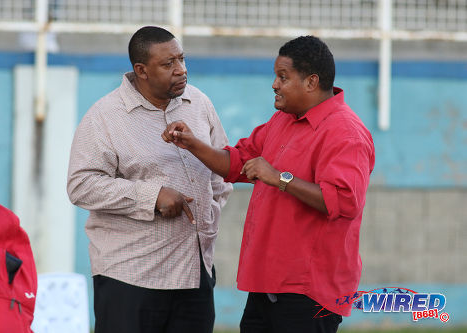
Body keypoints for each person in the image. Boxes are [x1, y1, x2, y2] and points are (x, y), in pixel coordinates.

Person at [162, 35, 375, 333]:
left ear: (311, 82)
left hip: (308, 294)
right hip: (267, 285)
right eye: (276, 75)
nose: (274, 84)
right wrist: (191, 143)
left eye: (283, 77)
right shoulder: (282, 120)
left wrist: (280, 178)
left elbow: (343, 201)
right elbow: (237, 163)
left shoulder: (345, 133)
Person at [67, 26, 232, 333]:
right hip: (132, 276)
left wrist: (208, 218)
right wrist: (151, 197)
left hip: (194, 271)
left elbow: (222, 172)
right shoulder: (105, 116)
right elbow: (81, 185)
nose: (181, 70)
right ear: (141, 70)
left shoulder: (200, 103)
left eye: (182, 59)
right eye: (168, 64)